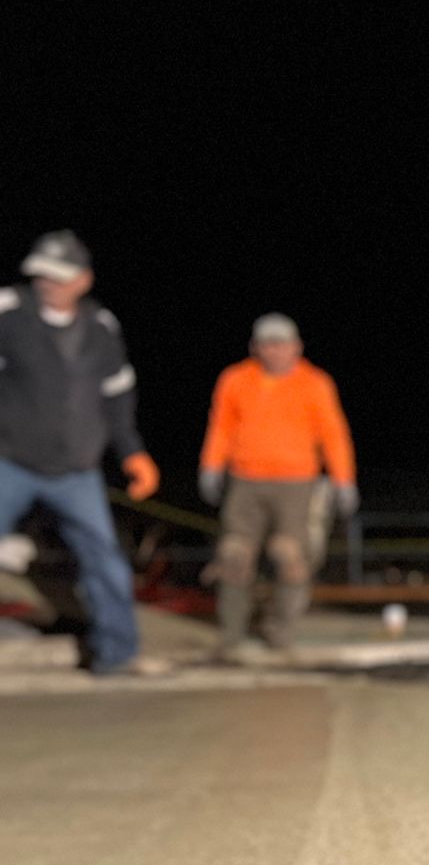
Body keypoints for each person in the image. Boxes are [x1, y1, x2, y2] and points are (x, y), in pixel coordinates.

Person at [0, 230, 162, 675]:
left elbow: (117, 396)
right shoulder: (8, 312)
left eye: (58, 276)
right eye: (41, 275)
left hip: (77, 471)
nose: (48, 284)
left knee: (105, 560)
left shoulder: (102, 328)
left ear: (82, 281)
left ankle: (118, 654)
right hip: (11, 461)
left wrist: (132, 453)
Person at [198, 314, 357, 656]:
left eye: (282, 344)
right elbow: (221, 426)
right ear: (255, 347)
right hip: (245, 481)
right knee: (234, 555)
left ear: (297, 347)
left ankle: (280, 631)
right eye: (268, 344)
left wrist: (344, 480)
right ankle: (231, 636)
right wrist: (211, 465)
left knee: (291, 555)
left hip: (297, 483)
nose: (275, 351)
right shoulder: (235, 379)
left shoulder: (316, 383)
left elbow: (334, 435)